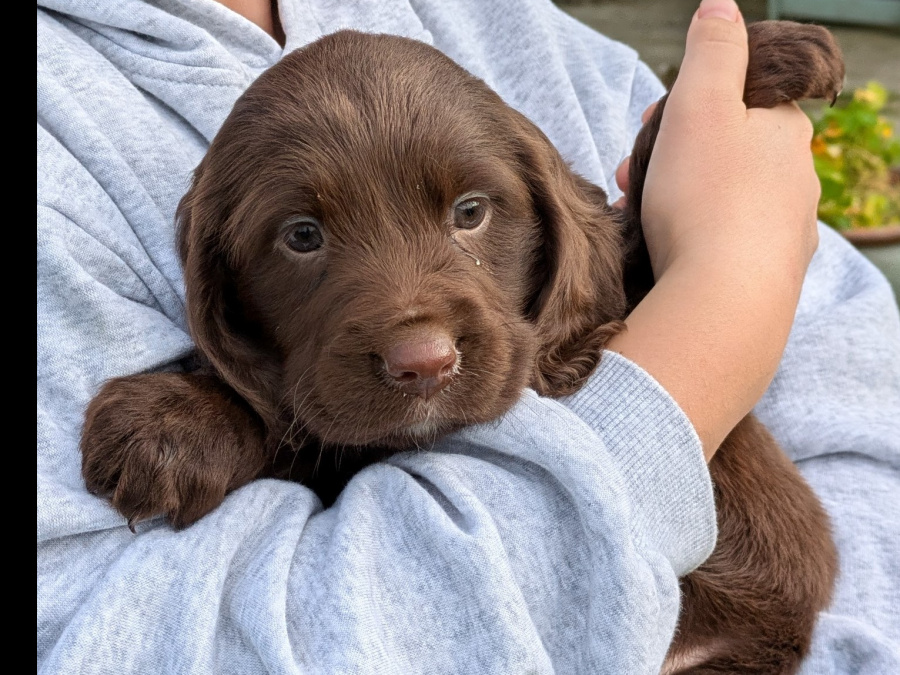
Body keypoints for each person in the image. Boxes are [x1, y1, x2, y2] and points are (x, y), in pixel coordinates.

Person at [37, 0, 900, 672]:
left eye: (469, 213)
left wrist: (696, 189)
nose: (421, 346)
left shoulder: (509, 27)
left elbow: (854, 383)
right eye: (304, 238)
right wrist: (223, 402)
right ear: (216, 291)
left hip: (764, 622)